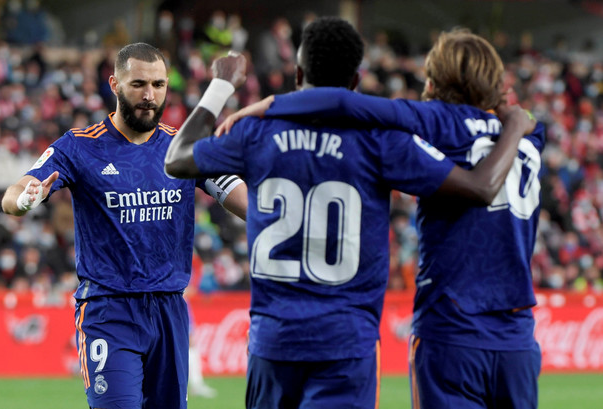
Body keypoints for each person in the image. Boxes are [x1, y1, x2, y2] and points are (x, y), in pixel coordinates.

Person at [165, 18, 536, 409]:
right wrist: (513, 125)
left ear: (297, 73)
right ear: (357, 80)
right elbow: (475, 186)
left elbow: (179, 158)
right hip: (347, 343)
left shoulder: (256, 133)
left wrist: (223, 86)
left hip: (273, 341)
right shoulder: (382, 141)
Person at [1, 42, 246, 409]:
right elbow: (14, 194)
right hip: (108, 310)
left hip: (168, 310)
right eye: (139, 85)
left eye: (159, 85)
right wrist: (25, 199)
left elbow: (240, 196)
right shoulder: (80, 147)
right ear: (115, 84)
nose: (150, 96)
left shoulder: (182, 146)